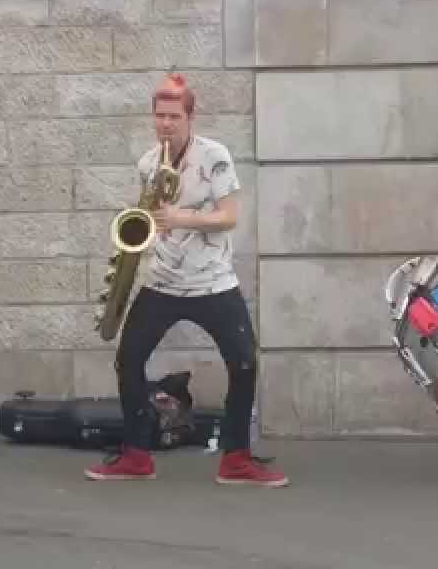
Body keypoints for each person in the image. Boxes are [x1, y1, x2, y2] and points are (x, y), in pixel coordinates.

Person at [84, 73, 289, 488]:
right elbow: (147, 219)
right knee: (128, 360)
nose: (165, 124)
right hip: (162, 280)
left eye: (174, 116)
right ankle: (136, 455)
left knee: (244, 363)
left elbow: (229, 216)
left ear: (190, 117)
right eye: (159, 116)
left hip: (213, 282)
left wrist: (182, 218)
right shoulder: (147, 163)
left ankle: (236, 459)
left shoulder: (215, 157)